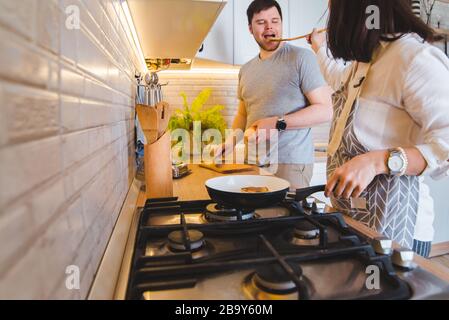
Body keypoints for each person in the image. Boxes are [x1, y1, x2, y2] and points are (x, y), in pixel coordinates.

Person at [308, 0, 449, 257]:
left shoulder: (413, 59)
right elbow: (335, 78)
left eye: (333, 6)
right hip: (355, 222)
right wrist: (319, 48)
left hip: (398, 233)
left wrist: (379, 161)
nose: (330, 14)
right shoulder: (365, 61)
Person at [216, 0, 333, 189]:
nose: (269, 26)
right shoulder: (246, 70)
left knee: (284, 218)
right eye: (261, 22)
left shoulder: (301, 58)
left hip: (290, 163)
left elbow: (325, 110)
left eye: (275, 21)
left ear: (281, 24)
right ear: (250, 29)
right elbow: (243, 115)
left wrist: (276, 123)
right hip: (253, 162)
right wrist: (229, 142)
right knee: (255, 218)